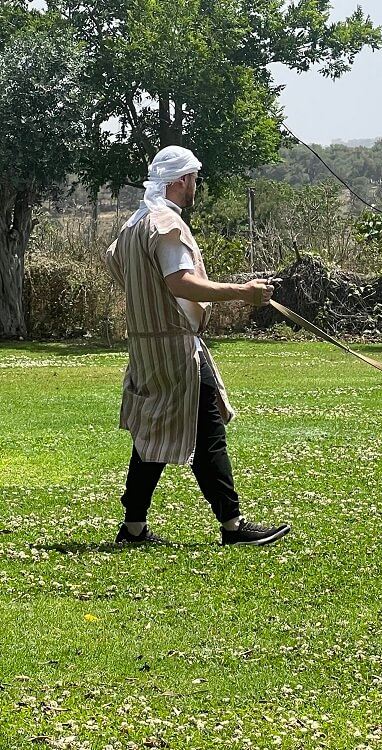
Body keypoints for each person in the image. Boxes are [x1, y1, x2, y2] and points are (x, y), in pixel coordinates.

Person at [104, 145, 291, 546]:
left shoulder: (134, 225)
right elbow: (180, 283)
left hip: (146, 348)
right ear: (181, 180)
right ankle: (233, 526)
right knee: (207, 433)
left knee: (152, 432)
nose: (196, 186)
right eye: (193, 179)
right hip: (176, 348)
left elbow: (118, 269)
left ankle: (133, 528)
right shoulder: (165, 224)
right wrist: (243, 292)